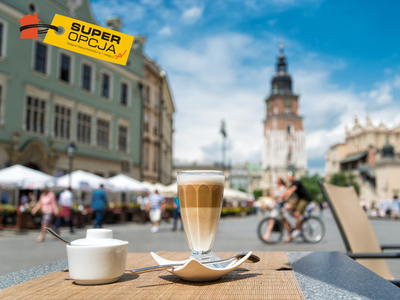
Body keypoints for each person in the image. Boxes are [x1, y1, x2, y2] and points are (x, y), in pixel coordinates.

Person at [281, 171, 312, 242]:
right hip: (299, 200)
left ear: (293, 177)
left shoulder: (297, 183)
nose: (289, 178)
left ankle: (298, 230)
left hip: (305, 200)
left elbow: (291, 191)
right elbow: (287, 191)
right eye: (288, 177)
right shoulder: (291, 185)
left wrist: (285, 198)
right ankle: (295, 228)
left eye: (290, 177)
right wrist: (280, 197)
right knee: (290, 210)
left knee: (297, 213)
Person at [262, 177, 288, 242]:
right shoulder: (277, 189)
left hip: (280, 207)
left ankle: (267, 235)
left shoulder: (283, 188)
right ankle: (267, 235)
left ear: (280, 181)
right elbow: (276, 199)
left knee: (281, 221)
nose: (276, 181)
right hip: (277, 206)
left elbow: (281, 198)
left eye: (277, 180)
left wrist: (275, 200)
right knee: (275, 221)